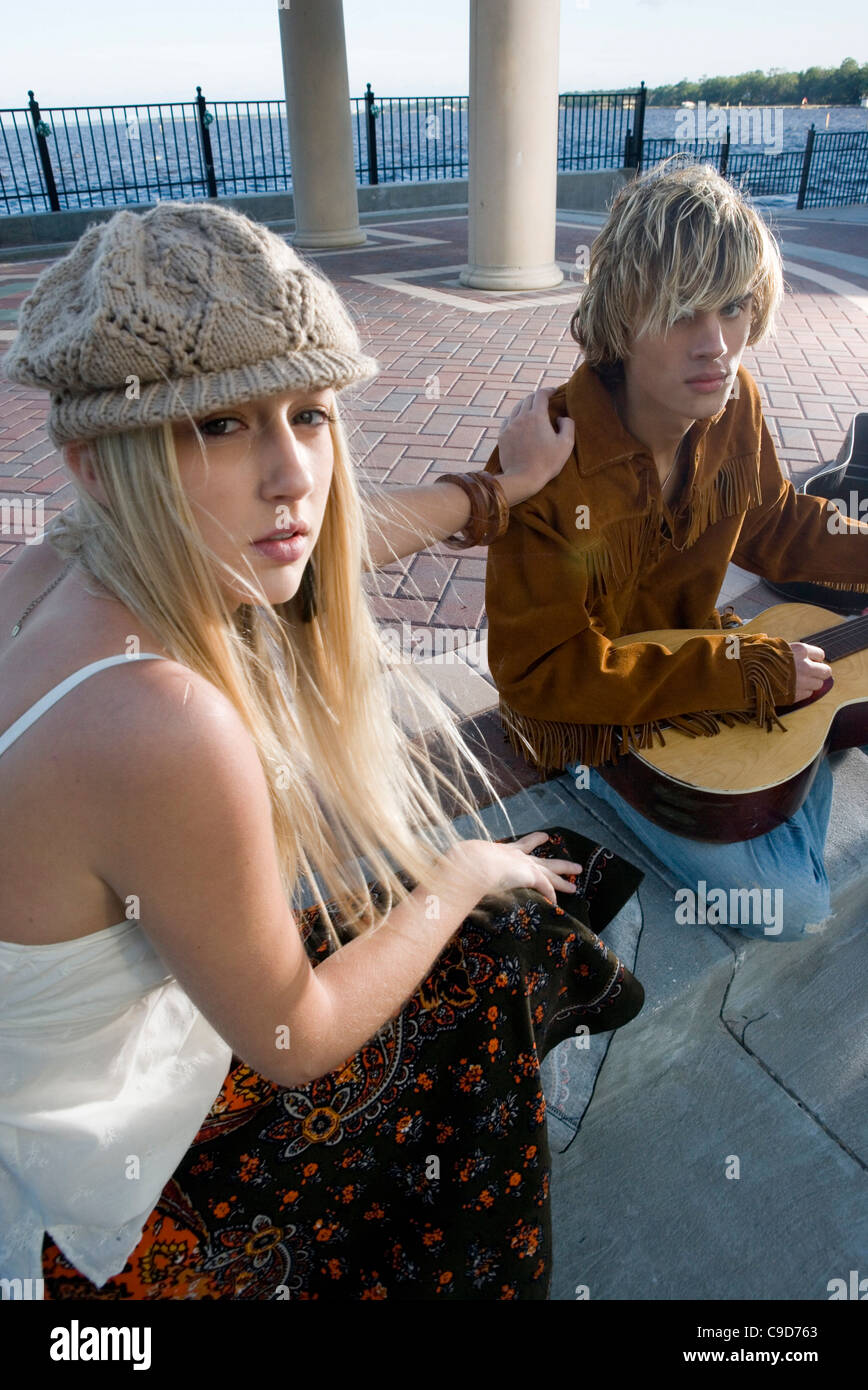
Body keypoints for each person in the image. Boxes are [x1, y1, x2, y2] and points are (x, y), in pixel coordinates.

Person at [0, 199, 644, 1300]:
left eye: (309, 413)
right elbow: (294, 1040)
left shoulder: (61, 566)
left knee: (471, 932)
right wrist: (459, 868)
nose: (293, 473)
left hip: (74, 1076)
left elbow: (336, 531)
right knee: (483, 947)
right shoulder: (159, 722)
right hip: (104, 1189)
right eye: (218, 424)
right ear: (99, 462)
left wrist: (497, 494)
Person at [483, 161, 868, 942]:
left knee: (813, 717)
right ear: (622, 315)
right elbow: (541, 670)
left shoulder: (735, 404)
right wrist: (735, 676)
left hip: (692, 671)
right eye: (683, 310)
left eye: (732, 307)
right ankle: (738, 778)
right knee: (793, 903)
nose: (717, 344)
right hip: (583, 722)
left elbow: (774, 524)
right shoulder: (549, 463)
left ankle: (779, 771)